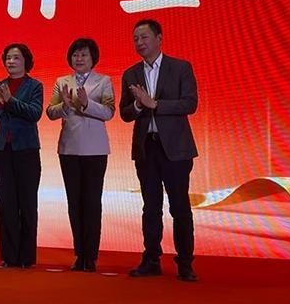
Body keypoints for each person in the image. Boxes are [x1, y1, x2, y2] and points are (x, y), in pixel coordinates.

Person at [119, 19, 199, 282]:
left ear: (159, 38)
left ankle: (185, 263)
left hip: (175, 149)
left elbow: (190, 104)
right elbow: (125, 113)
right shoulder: (131, 74)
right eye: (135, 39)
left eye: (144, 37)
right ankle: (151, 259)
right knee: (150, 207)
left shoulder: (180, 67)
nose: (139, 42)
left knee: (180, 207)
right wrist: (139, 106)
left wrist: (154, 104)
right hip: (147, 148)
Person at [46, 38, 115, 272]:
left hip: (95, 150)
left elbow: (109, 112)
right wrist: (65, 106)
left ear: (93, 58)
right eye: (75, 55)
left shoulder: (104, 81)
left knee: (92, 202)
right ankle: (79, 254)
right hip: (69, 149)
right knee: (74, 202)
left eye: (84, 54)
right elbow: (50, 112)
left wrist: (87, 104)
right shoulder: (61, 81)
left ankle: (91, 256)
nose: (79, 58)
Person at [0, 43, 43, 268]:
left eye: (16, 58)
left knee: (27, 202)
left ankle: (26, 257)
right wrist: (0, 103)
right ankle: (9, 256)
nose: (11, 61)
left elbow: (34, 113)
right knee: (6, 202)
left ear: (26, 61)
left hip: (27, 149)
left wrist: (11, 101)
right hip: (3, 150)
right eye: (8, 58)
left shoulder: (35, 85)